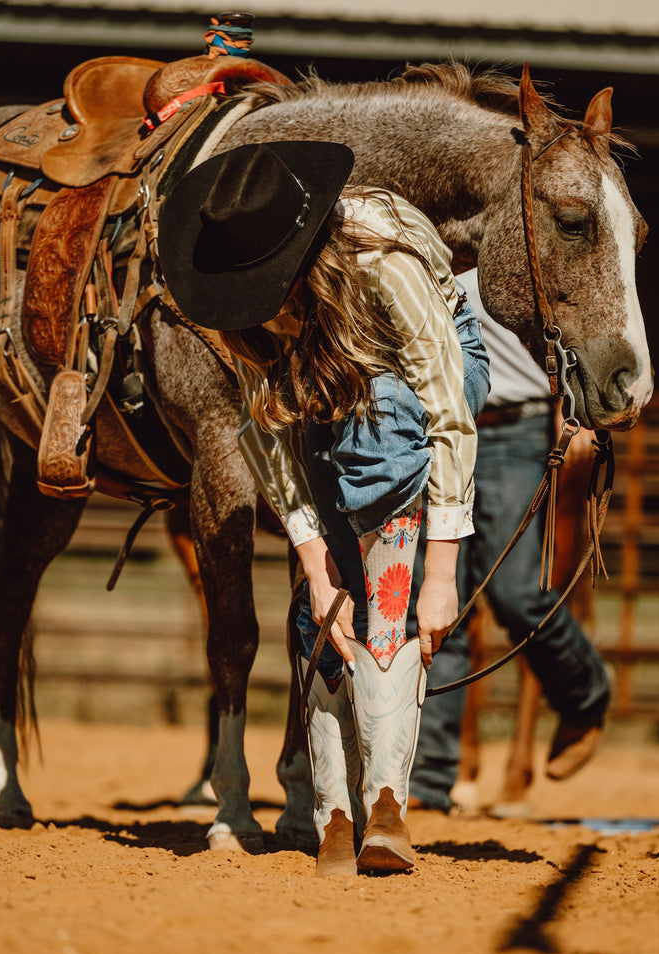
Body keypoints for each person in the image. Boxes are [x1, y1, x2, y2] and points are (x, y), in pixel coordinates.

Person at [158, 140, 489, 877]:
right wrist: (314, 564)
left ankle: (387, 806)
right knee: (330, 602)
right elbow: (265, 437)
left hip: (419, 365)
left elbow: (445, 412)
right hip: (323, 359)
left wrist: (442, 573)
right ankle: (333, 814)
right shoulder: (241, 304)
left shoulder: (383, 264)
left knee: (383, 448)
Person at [407, 269, 611, 813]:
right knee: (438, 605)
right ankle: (427, 779)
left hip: (515, 427)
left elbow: (584, 313)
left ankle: (584, 693)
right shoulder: (424, 240)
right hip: (442, 426)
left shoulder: (521, 237)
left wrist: (579, 412)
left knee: (519, 592)